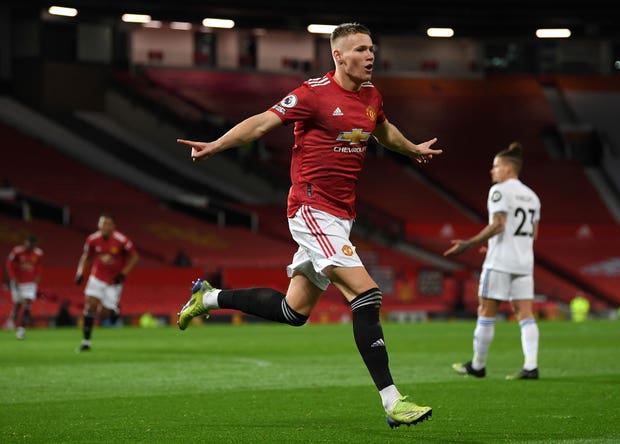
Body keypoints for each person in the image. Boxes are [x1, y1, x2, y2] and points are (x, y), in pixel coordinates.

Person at [175, 22, 442, 428]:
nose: (370, 56)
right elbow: (262, 123)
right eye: (360, 49)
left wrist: (411, 148)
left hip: (342, 215)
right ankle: (392, 401)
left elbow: (382, 129)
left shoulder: (371, 95)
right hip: (310, 208)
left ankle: (208, 298)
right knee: (366, 293)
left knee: (293, 310)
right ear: (338, 56)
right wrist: (216, 145)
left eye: (372, 48)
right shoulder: (313, 93)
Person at [444, 142, 541, 380]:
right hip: (524, 263)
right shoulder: (532, 196)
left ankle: (478, 365)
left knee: (486, 311)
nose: (492, 171)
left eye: (495, 166)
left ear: (508, 169)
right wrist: (499, 243)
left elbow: (498, 224)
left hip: (499, 263)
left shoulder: (499, 191)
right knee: (525, 313)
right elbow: (533, 234)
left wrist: (470, 243)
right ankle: (531, 366)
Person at [74, 213, 139, 351]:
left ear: (113, 226)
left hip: (113, 282)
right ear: (98, 225)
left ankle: (114, 310)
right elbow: (86, 257)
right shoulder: (92, 240)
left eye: (108, 224)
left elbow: (134, 257)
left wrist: (123, 273)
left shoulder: (122, 240)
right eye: (103, 224)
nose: (105, 226)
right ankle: (86, 342)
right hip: (96, 278)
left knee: (104, 314)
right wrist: (80, 272)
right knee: (90, 305)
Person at [5, 234, 43, 339]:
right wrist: (13, 278)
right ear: (26, 243)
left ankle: (21, 330)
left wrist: (37, 276)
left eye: (33, 245)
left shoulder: (38, 253)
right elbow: (9, 264)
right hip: (17, 282)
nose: (30, 246)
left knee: (27, 303)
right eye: (29, 244)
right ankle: (11, 321)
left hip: (30, 283)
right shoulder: (17, 251)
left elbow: (39, 265)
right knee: (17, 304)